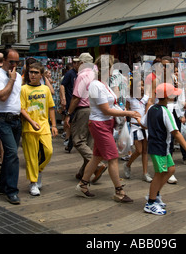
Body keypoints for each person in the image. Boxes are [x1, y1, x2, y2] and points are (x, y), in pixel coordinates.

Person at [75, 55, 141, 202]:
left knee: (97, 156)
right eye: (111, 67)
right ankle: (119, 192)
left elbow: (111, 104)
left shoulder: (103, 84)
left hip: (106, 124)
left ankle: (83, 185)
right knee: (113, 158)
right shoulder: (95, 85)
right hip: (99, 125)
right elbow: (105, 110)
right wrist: (128, 113)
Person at [141, 83, 186, 215]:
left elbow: (144, 124)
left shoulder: (152, 109)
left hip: (159, 146)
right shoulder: (166, 112)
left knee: (170, 169)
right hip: (159, 147)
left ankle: (155, 194)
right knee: (159, 174)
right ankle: (151, 202)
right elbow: (176, 132)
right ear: (167, 96)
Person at [64, 52, 107, 183]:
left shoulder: (82, 75)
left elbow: (76, 97)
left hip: (83, 110)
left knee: (78, 141)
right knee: (89, 143)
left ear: (82, 63)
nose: (76, 65)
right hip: (96, 110)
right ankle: (83, 172)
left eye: (78, 62)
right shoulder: (97, 75)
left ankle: (98, 165)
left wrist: (69, 114)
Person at [20, 62, 58, 196]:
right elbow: (22, 109)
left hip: (44, 126)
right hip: (29, 128)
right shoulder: (23, 89)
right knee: (31, 156)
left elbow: (51, 107)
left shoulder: (45, 89)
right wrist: (31, 122)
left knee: (48, 151)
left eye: (36, 72)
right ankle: (33, 182)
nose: (33, 75)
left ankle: (38, 171)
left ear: (41, 75)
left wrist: (53, 125)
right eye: (31, 72)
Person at [0, 48, 23, 205]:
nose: (14, 65)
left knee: (11, 154)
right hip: (2, 118)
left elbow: (18, 98)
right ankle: (11, 190)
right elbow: (2, 97)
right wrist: (11, 80)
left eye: (17, 62)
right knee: (11, 153)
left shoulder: (18, 77)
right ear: (3, 61)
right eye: (12, 62)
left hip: (16, 119)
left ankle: (2, 185)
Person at [124, 79, 152, 182]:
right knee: (139, 150)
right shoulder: (129, 98)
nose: (141, 87)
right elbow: (126, 111)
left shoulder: (146, 97)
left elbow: (147, 111)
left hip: (144, 126)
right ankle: (127, 164)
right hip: (135, 126)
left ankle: (145, 173)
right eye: (138, 85)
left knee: (145, 151)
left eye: (142, 85)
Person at [60, 60, 80, 151]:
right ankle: (68, 139)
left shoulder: (82, 73)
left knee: (74, 122)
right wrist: (63, 98)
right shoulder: (70, 73)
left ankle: (71, 141)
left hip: (79, 102)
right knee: (69, 121)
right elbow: (62, 85)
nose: (77, 64)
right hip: (70, 101)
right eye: (75, 63)